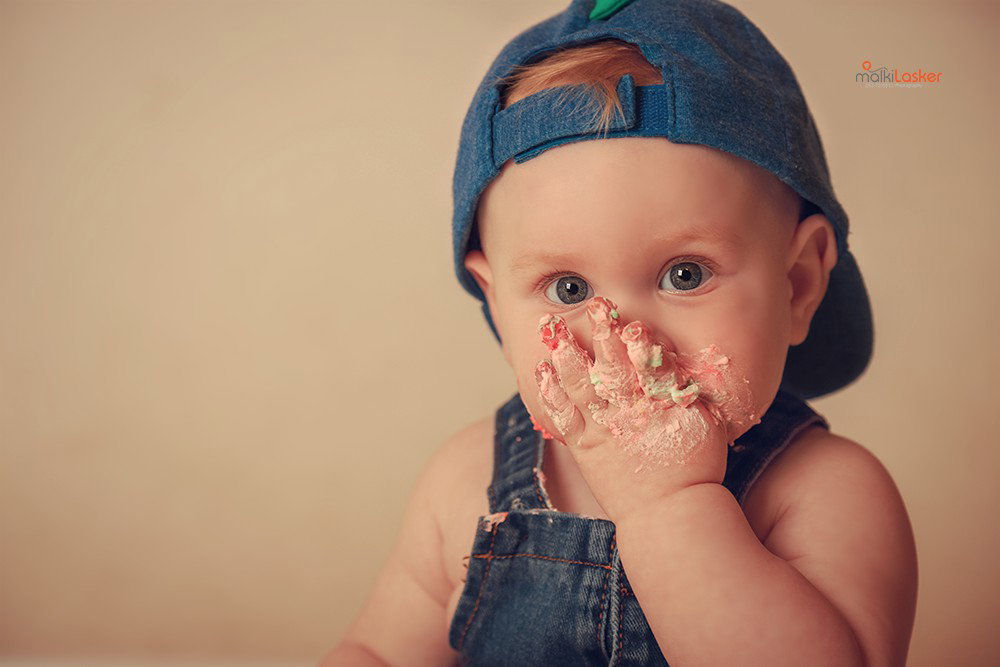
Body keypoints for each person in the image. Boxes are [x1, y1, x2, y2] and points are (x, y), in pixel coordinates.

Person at [322, 1, 917, 664]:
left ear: (797, 284)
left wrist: (669, 504)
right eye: (569, 289)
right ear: (496, 304)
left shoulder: (828, 494)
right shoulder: (464, 482)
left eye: (686, 274)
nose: (629, 337)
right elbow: (377, 649)